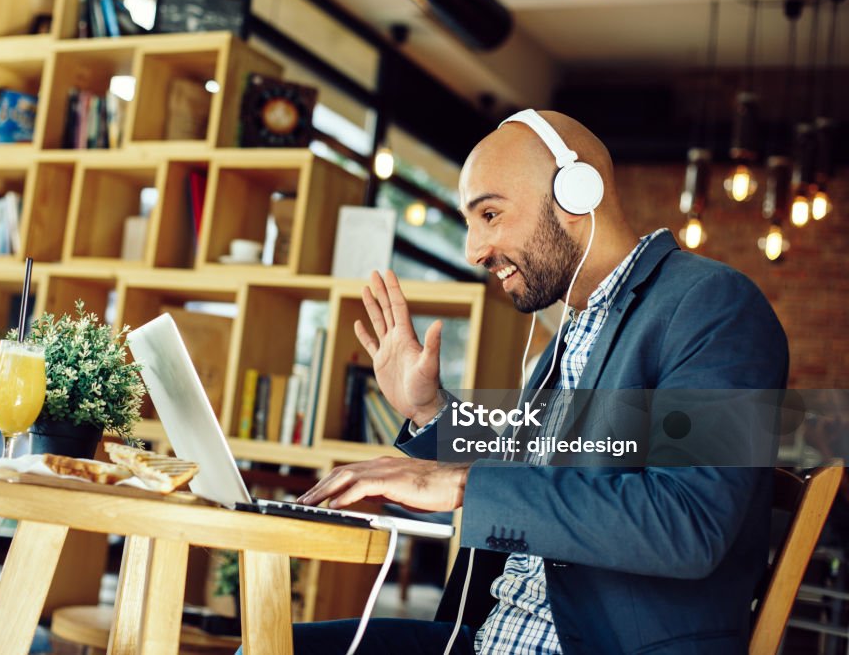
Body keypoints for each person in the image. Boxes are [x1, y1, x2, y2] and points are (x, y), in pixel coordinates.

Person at [291, 111, 788, 654]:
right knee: (267, 647)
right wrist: (429, 409)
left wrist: (461, 484)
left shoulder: (712, 306)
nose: (473, 251)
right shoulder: (573, 333)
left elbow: (687, 523)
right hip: (489, 639)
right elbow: (529, 471)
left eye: (490, 214)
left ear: (577, 194)